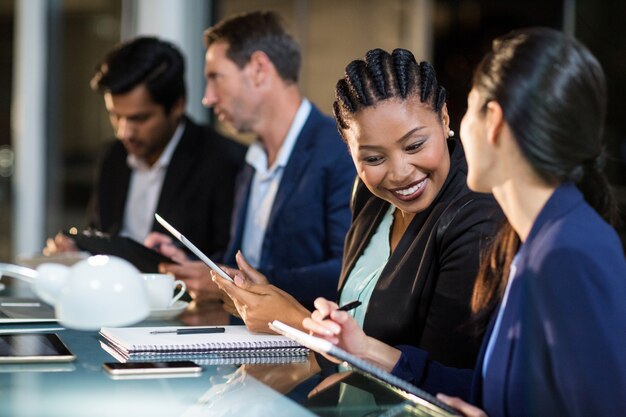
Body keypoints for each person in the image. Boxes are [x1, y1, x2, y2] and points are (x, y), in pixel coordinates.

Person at [303, 28, 626, 416]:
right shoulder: (534, 241)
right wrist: (364, 349)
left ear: (493, 122)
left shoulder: (567, 249)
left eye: (468, 107)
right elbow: (493, 393)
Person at [213, 47, 503, 369]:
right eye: (373, 158)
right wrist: (270, 295)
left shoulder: (477, 220)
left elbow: (440, 381)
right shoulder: (370, 195)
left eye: (415, 145)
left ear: (445, 118)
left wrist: (294, 321)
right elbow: (357, 310)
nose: (399, 172)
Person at [148, 11, 355, 307]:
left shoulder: (339, 151)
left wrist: (242, 282)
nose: (208, 98)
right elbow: (248, 259)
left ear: (258, 69)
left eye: (215, 78)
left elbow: (348, 273)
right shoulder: (250, 161)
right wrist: (194, 265)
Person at [45, 36, 246, 262]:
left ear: (177, 105)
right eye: (115, 116)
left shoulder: (225, 161)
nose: (124, 132)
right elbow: (99, 234)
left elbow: (232, 261)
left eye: (139, 119)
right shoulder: (112, 156)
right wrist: (78, 252)